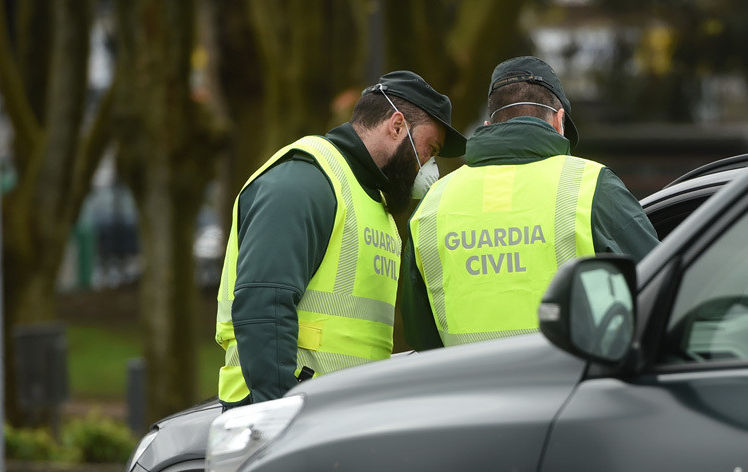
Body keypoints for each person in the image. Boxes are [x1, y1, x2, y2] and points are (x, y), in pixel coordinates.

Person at [215, 71, 466, 408]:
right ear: (396, 126)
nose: (430, 165)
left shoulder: (373, 204)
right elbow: (264, 307)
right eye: (429, 148)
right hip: (284, 414)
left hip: (334, 415)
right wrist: (276, 415)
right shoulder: (305, 181)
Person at [401, 56, 659, 351]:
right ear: (559, 120)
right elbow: (662, 290)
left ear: (488, 125)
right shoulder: (592, 186)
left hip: (468, 392)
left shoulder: (433, 204)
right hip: (569, 392)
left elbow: (421, 338)